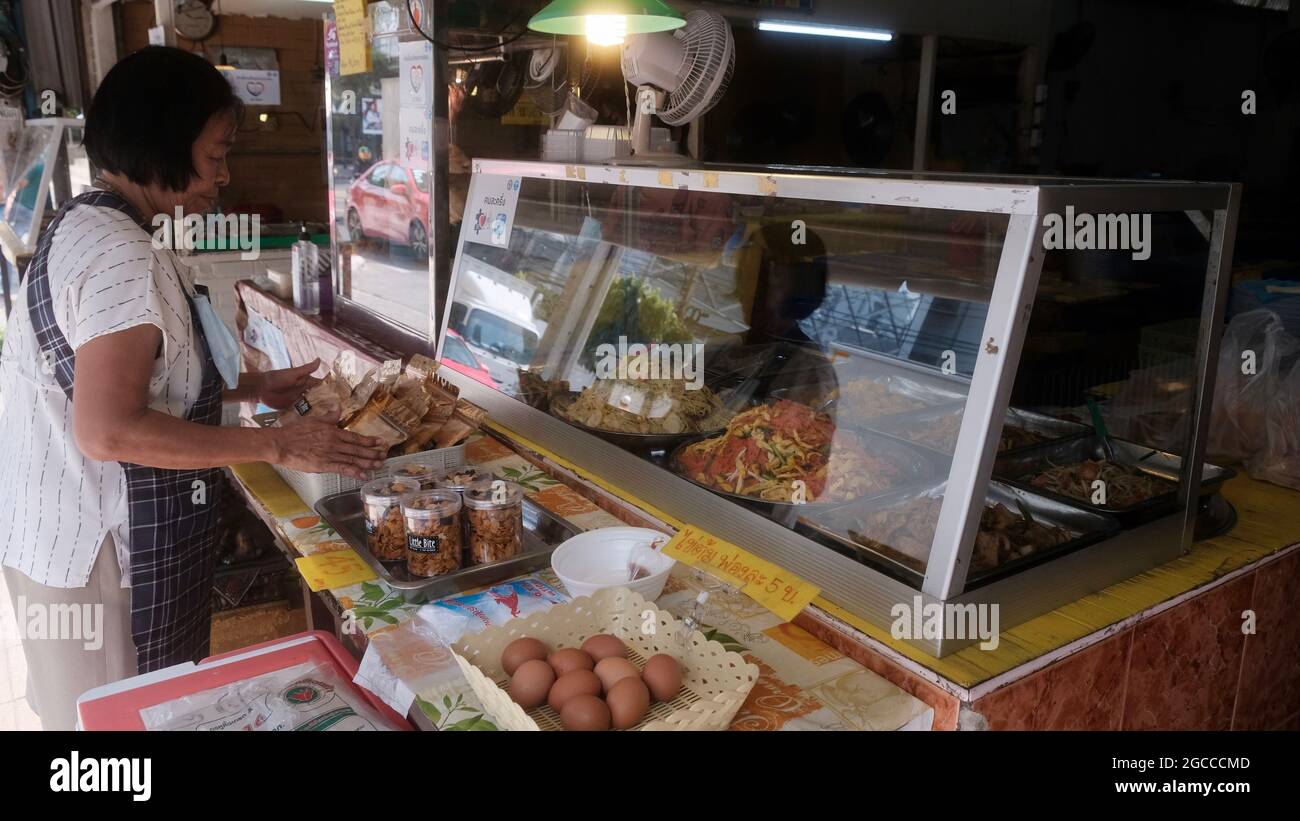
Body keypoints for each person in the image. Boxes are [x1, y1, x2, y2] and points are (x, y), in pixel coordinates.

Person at [0, 47, 386, 730]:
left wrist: (254, 389)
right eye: (216, 154)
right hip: (99, 558)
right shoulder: (119, 254)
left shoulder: (99, 224)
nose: (224, 175)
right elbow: (107, 429)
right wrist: (275, 444)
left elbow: (145, 375)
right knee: (114, 736)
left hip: (82, 547)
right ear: (164, 140)